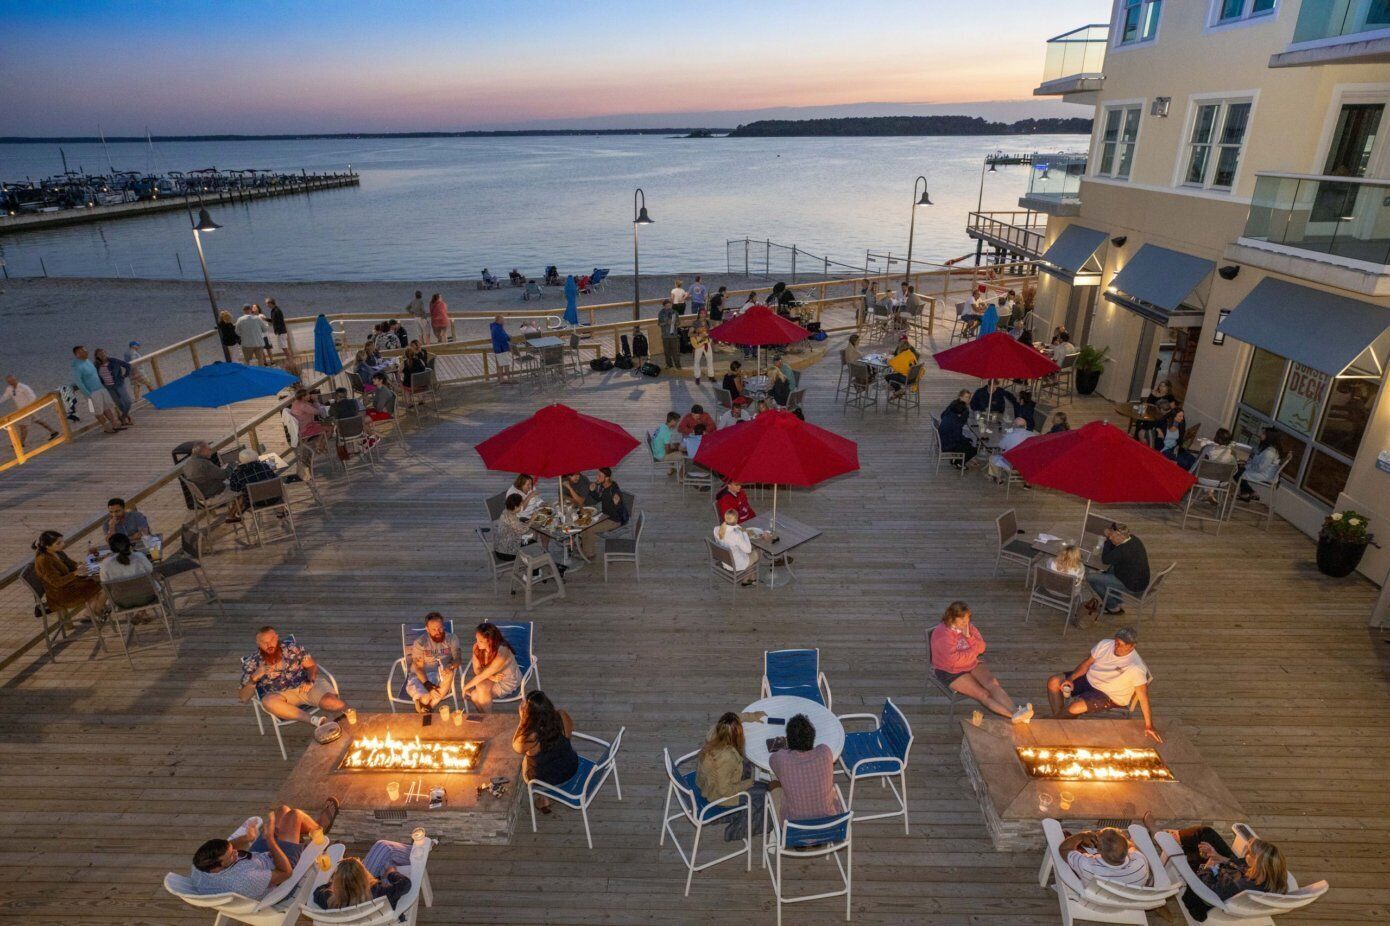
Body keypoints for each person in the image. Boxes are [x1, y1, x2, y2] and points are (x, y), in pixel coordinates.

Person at [1140, 812, 1289, 922]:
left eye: (1250, 854)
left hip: (1200, 897)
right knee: (1206, 834)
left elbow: (1205, 887)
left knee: (1190, 851)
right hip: (1223, 877)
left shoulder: (1237, 884)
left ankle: (1157, 833)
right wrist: (1219, 857)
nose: (1246, 855)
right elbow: (1241, 868)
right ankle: (1169, 836)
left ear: (1258, 864)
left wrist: (1209, 866)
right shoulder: (1270, 877)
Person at [191, 803, 339, 899]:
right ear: (216, 869)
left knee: (282, 810)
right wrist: (271, 842)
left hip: (255, 861)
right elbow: (286, 873)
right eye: (231, 855)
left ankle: (307, 830)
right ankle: (318, 829)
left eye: (232, 850)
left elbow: (229, 847)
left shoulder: (200, 866)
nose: (236, 851)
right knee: (294, 815)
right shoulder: (244, 880)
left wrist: (247, 838)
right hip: (279, 871)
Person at [1046, 627, 1161, 741]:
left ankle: (1051, 724)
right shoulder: (1105, 644)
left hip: (1108, 695)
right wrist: (1071, 679)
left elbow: (1143, 696)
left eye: (1122, 645)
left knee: (1074, 708)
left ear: (1132, 646)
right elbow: (1087, 664)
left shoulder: (1135, 667)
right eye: (1116, 642)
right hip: (1089, 678)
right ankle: (1059, 723)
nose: (1117, 647)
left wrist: (1149, 725)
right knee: (1054, 682)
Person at [929, 601, 1032, 722]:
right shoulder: (942, 634)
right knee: (983, 694)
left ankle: (1016, 711)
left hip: (970, 663)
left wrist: (969, 637)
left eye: (967, 619)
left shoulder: (969, 627)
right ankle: (1013, 716)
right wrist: (973, 652)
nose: (965, 623)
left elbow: (982, 648)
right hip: (949, 671)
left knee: (992, 684)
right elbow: (954, 660)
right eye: (962, 620)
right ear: (951, 617)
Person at [238, 626, 348, 727]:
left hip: (306, 686)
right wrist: (254, 678)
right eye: (264, 642)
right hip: (281, 697)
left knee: (338, 705)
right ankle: (315, 720)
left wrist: (310, 681)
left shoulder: (292, 648)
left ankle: (334, 720)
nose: (269, 645)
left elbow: (312, 666)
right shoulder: (252, 663)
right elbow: (244, 698)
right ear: (258, 643)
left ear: (277, 637)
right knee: (268, 701)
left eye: (271, 640)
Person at [697, 710, 770, 840]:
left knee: (746, 763)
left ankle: (730, 815)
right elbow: (724, 790)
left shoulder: (715, 731)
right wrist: (745, 784)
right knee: (765, 793)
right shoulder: (727, 757)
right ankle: (735, 831)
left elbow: (734, 720)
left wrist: (752, 716)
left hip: (708, 783)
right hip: (718, 795)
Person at [512, 690, 579, 814]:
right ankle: (546, 796)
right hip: (572, 768)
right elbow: (568, 735)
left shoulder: (531, 736)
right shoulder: (561, 715)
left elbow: (516, 746)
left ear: (529, 714)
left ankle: (543, 799)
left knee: (526, 759)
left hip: (546, 781)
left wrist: (522, 721)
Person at [768, 714, 842, 823]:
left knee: (773, 783)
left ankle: (775, 831)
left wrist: (785, 748)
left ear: (788, 741)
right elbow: (821, 748)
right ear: (813, 737)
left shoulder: (782, 760)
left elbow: (772, 760)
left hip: (794, 827)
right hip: (829, 823)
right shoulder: (825, 752)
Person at [313, 841, 413, 911]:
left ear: (337, 884)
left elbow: (317, 891)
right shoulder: (379, 893)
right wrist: (391, 873)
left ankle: (389, 863)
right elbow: (405, 884)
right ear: (364, 876)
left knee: (384, 859)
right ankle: (415, 850)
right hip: (378, 910)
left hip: (364, 916)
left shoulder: (330, 901)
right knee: (384, 847)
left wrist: (343, 881)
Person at [32, 529, 106, 620]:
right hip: (62, 594)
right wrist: (75, 573)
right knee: (104, 587)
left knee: (101, 581)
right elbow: (56, 582)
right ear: (47, 546)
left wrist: (78, 565)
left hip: (71, 585)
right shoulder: (44, 560)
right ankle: (92, 613)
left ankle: (93, 612)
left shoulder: (57, 552)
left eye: (62, 541)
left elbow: (70, 563)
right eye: (58, 543)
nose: (63, 544)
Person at [1084, 523, 1150, 619]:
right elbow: (1114, 555)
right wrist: (1111, 536)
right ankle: (1115, 598)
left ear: (1120, 536)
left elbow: (1105, 560)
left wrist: (1107, 541)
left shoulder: (1122, 551)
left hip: (1133, 586)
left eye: (1112, 536)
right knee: (1108, 569)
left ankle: (1113, 607)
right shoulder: (1134, 539)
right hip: (1140, 579)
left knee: (1090, 578)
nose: (1110, 538)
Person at [403, 611, 463, 714]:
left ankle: (425, 709)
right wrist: (428, 686)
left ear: (443, 626)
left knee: (450, 673)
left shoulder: (452, 638)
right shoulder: (420, 642)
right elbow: (418, 668)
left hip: (441, 675)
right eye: (434, 629)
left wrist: (451, 665)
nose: (438, 632)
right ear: (427, 629)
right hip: (421, 676)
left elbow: (458, 658)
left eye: (440, 628)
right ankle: (426, 708)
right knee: (426, 698)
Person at [1059, 826, 1151, 888]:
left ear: (1099, 850)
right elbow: (1132, 847)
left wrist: (1082, 835)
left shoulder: (1087, 865)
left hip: (1095, 900)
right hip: (1124, 900)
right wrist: (1117, 840)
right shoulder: (1140, 862)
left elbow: (1063, 849)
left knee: (1065, 834)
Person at [460, 621, 522, 712]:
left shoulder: (502, 652)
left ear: (491, 640)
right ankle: (487, 718)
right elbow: (477, 670)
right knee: (477, 693)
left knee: (475, 694)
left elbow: (482, 675)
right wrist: (490, 677)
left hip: (507, 680)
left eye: (481, 641)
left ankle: (487, 718)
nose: (477, 643)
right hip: (490, 678)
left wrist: (465, 687)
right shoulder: (477, 648)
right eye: (477, 639)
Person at [579, 467, 628, 559]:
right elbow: (599, 498)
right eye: (597, 475)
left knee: (590, 529)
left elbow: (619, 508)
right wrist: (592, 491)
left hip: (614, 520)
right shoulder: (603, 486)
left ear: (607, 478)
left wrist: (617, 504)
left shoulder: (613, 490)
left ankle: (589, 554)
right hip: (605, 515)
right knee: (586, 525)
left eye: (599, 476)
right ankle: (584, 550)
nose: (596, 477)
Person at [71, 345, 121, 433]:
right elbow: (79, 383)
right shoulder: (77, 367)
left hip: (100, 389)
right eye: (81, 352)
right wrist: (88, 394)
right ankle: (107, 427)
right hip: (91, 393)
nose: (85, 353)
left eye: (85, 351)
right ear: (76, 355)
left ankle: (114, 424)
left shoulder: (87, 361)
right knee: (97, 412)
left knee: (107, 408)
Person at [182, 441, 239, 519]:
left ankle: (232, 510)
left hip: (200, 497)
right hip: (213, 496)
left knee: (231, 482)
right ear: (203, 451)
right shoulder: (205, 464)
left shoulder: (188, 463)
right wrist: (232, 463)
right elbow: (224, 475)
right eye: (209, 449)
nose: (211, 451)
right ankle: (231, 516)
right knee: (243, 489)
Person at [93, 347, 146, 426]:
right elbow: (94, 375)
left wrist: (124, 375)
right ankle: (127, 417)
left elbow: (127, 365)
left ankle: (123, 416)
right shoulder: (96, 365)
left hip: (119, 384)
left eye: (103, 353)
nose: (102, 355)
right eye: (100, 354)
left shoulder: (113, 360)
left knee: (128, 402)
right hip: (108, 387)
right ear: (97, 356)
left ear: (106, 353)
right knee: (119, 404)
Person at [2, 375, 60, 445]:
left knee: (23, 426)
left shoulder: (24, 387)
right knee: (38, 421)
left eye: (11, 381)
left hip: (27, 410)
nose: (11, 383)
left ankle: (21, 443)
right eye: (9, 382)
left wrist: (29, 407)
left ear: (15, 380)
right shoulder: (9, 389)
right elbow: (5, 396)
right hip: (23, 410)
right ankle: (53, 432)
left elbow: (33, 397)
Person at [712, 507, 759, 581]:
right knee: (758, 552)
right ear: (736, 519)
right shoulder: (736, 536)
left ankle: (748, 579)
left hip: (725, 561)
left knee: (743, 550)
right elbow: (748, 550)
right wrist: (744, 532)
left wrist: (737, 526)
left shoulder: (716, 529)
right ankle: (749, 578)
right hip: (736, 564)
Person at [1237, 429, 1283, 501]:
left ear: (1269, 437)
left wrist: (1246, 466)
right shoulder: (1267, 448)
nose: (1260, 435)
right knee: (1237, 468)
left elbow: (1259, 468)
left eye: (1263, 433)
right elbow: (1257, 461)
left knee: (1236, 471)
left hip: (1265, 475)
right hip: (1261, 471)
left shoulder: (1270, 452)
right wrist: (1246, 463)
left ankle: (1249, 492)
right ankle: (1248, 492)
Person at [987, 417, 1034, 484]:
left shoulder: (1009, 435)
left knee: (992, 458)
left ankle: (998, 479)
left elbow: (1001, 446)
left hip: (1012, 465)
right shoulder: (1032, 435)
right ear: (1025, 426)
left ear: (1014, 425)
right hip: (1026, 464)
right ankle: (1028, 483)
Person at [230, 448, 277, 512]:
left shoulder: (237, 473)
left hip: (254, 503)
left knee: (240, 494)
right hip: (274, 498)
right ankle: (281, 512)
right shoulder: (265, 466)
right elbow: (274, 477)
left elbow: (234, 489)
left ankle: (236, 512)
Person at [288, 389, 330, 457]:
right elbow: (317, 412)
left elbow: (312, 406)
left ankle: (318, 443)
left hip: (301, 428)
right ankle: (320, 445)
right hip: (306, 429)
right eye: (308, 394)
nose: (310, 395)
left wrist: (314, 403)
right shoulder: (303, 406)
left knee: (323, 425)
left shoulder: (297, 402)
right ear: (303, 397)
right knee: (330, 428)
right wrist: (316, 400)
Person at [937, 399, 978, 468]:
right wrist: (967, 440)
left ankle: (955, 460)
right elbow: (958, 438)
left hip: (943, 441)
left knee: (967, 444)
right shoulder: (956, 422)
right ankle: (959, 463)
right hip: (947, 445)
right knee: (973, 450)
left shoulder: (948, 415)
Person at [657, 299, 682, 369]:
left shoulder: (675, 312)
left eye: (669, 305)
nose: (668, 307)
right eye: (667, 306)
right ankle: (669, 364)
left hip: (673, 335)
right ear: (664, 306)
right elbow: (659, 324)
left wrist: (674, 322)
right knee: (667, 351)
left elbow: (678, 323)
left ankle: (678, 365)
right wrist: (666, 322)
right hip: (665, 335)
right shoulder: (661, 313)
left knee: (675, 352)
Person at [266, 298, 290, 362]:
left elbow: (280, 321)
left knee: (284, 347)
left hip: (282, 332)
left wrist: (278, 330)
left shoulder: (277, 310)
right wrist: (265, 319)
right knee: (283, 347)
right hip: (280, 332)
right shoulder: (273, 310)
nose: (266, 305)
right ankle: (289, 360)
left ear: (271, 303)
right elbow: (273, 321)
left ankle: (290, 360)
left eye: (267, 304)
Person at [691, 320, 714, 385]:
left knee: (710, 360)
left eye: (704, 314)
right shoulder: (695, 322)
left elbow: (711, 332)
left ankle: (711, 376)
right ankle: (697, 377)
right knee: (697, 361)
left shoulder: (708, 322)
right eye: (701, 314)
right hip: (698, 343)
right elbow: (690, 333)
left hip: (707, 343)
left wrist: (711, 333)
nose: (703, 315)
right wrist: (699, 335)